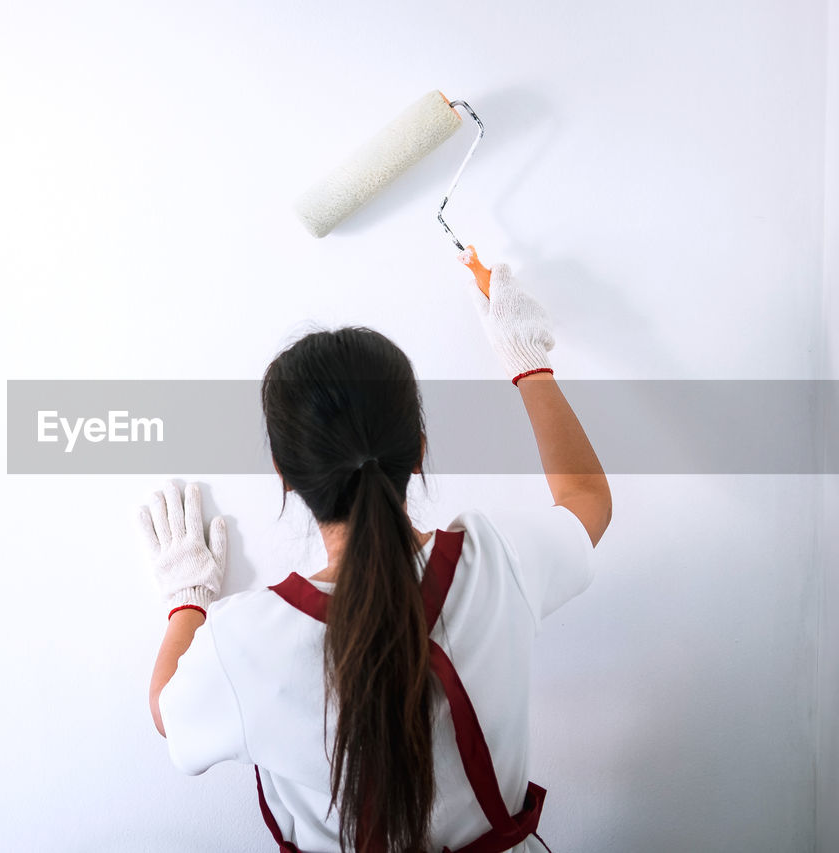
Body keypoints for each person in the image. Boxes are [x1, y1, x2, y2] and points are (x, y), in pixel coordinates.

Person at [138, 250, 611, 853]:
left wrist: (188, 601)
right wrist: (527, 360)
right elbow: (586, 499)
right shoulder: (496, 562)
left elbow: (167, 712)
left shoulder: (246, 643)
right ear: (418, 449)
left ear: (285, 475)